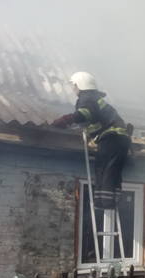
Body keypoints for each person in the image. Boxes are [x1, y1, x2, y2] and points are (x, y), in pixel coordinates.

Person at [52, 71, 132, 210]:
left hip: (111, 138)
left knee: (103, 168)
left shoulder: (87, 98)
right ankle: (110, 200)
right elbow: (92, 119)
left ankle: (104, 202)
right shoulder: (95, 98)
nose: (73, 89)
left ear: (79, 84)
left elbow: (85, 113)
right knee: (113, 170)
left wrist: (66, 119)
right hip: (121, 139)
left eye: (74, 85)